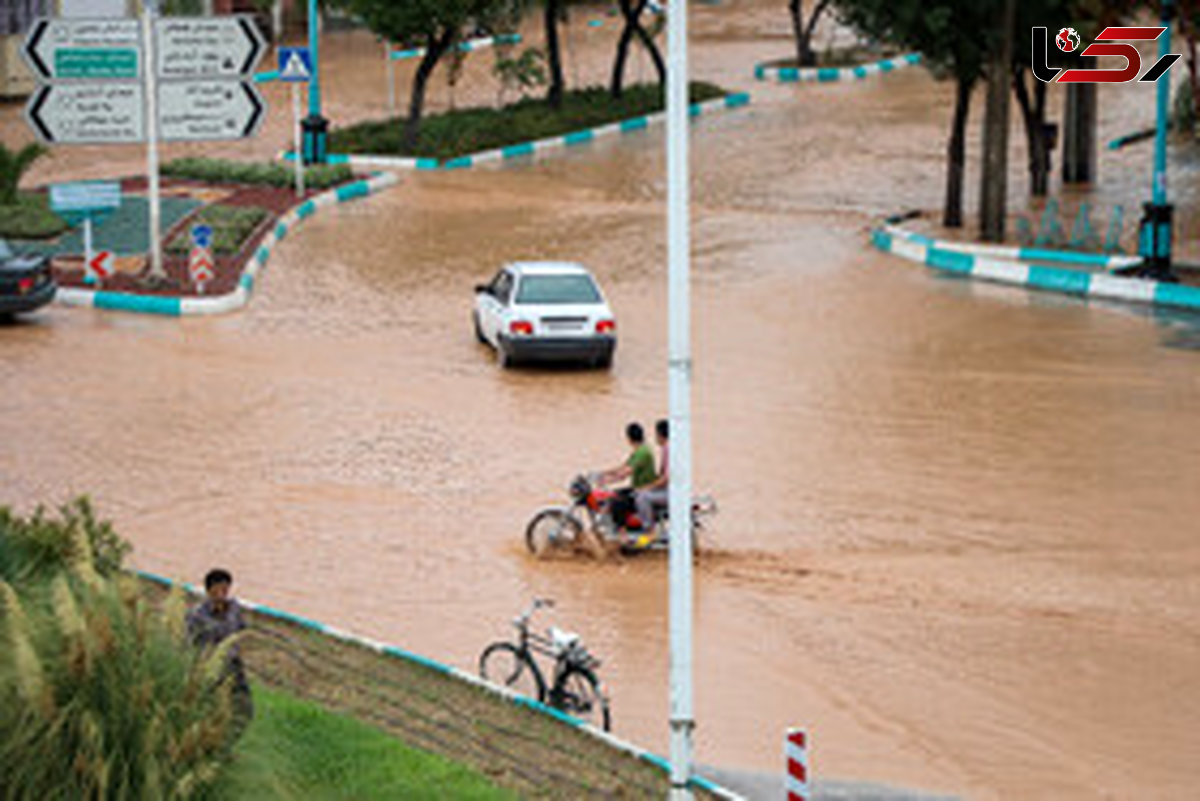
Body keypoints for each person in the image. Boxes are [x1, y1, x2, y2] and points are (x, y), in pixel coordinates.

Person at [186, 568, 253, 738]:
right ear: (209, 590)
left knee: (243, 709)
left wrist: (238, 652)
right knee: (211, 709)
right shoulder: (196, 615)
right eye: (219, 588)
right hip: (210, 668)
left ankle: (229, 742)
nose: (224, 592)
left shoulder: (234, 609)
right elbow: (188, 643)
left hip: (233, 667)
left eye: (226, 588)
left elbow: (241, 631)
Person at [598, 422, 657, 530]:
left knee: (616, 502)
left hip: (642, 490)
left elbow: (625, 473)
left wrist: (607, 481)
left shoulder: (642, 453)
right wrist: (602, 473)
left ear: (629, 438)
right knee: (613, 494)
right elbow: (622, 467)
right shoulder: (640, 450)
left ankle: (622, 532)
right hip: (637, 488)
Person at [635, 419, 670, 530]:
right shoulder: (666, 449)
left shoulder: (669, 449)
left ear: (660, 435)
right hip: (667, 490)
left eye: (656, 434)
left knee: (642, 497)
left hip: (669, 492)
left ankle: (648, 529)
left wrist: (646, 487)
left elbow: (666, 478)